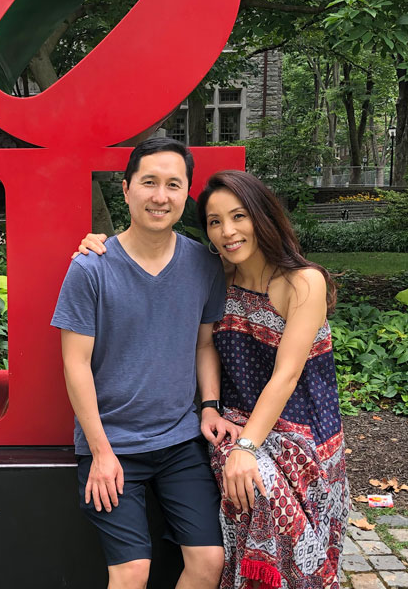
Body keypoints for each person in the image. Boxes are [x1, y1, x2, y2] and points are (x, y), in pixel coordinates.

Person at [79, 169, 349, 589]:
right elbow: (145, 261)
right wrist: (96, 243)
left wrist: (246, 448)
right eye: (215, 221)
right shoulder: (216, 275)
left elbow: (287, 374)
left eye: (239, 216)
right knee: (243, 494)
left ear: (262, 216)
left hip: (299, 431)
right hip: (233, 421)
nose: (228, 232)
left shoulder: (303, 282)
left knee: (264, 491)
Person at [52, 138, 240, 589]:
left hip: (178, 442)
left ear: (186, 193)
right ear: (126, 190)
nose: (161, 195)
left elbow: (203, 345)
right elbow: (74, 364)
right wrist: (99, 452)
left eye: (173, 185)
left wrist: (209, 405)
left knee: (210, 561)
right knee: (132, 572)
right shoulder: (91, 268)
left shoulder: (204, 264)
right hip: (112, 445)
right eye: (149, 182)